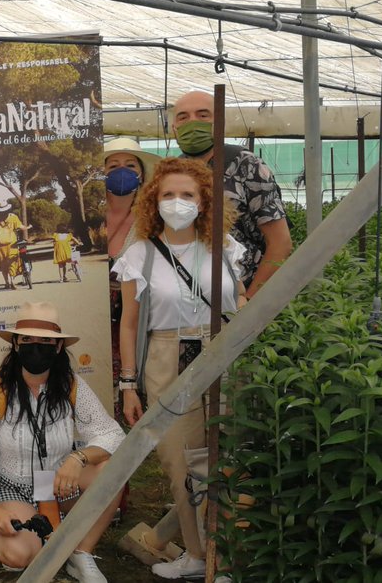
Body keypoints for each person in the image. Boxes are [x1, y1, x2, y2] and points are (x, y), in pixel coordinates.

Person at [113, 157, 246, 581]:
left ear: (204, 201)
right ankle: (194, 552)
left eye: (187, 194)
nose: (177, 202)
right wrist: (128, 384)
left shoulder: (224, 247)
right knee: (178, 460)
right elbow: (129, 322)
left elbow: (240, 299)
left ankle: (223, 558)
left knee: (227, 457)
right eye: (168, 194)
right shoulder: (140, 254)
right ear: (154, 201)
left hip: (223, 352)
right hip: (166, 356)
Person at [0, 301, 125, 581]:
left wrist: (79, 458)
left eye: (45, 341)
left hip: (56, 482)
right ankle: (38, 533)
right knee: (17, 554)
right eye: (27, 339)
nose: (36, 346)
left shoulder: (71, 385)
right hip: (12, 484)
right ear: (15, 343)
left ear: (58, 346)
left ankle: (80, 554)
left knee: (113, 470)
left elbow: (111, 434)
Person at [172, 89, 291, 299]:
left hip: (241, 292)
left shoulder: (244, 164)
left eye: (203, 115)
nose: (192, 123)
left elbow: (280, 243)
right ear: (174, 129)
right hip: (186, 298)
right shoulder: (172, 171)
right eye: (183, 117)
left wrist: (250, 303)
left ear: (219, 124)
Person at [104, 137, 161, 421]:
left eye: (129, 165)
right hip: (94, 311)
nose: (121, 171)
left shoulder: (151, 218)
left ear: (141, 173)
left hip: (136, 311)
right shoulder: (89, 214)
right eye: (113, 165)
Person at [0, 202, 25, 289]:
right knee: (12, 261)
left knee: (3, 263)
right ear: (8, 209)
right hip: (12, 243)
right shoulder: (13, 217)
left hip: (0, 245)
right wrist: (28, 227)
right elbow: (21, 227)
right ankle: (12, 280)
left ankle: (6, 282)